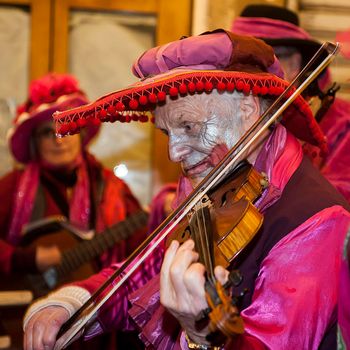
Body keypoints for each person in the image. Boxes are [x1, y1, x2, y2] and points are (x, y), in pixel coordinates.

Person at [23, 31, 350, 350]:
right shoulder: (217, 176)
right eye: (168, 133)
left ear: (248, 112)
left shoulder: (318, 221)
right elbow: (150, 270)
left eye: (189, 127)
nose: (174, 153)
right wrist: (72, 303)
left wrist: (202, 334)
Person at [0, 73, 147, 348]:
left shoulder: (113, 188)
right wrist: (27, 258)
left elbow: (141, 252)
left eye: (68, 127)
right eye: (48, 131)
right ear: (35, 141)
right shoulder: (13, 187)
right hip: (25, 325)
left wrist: (165, 209)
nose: (60, 139)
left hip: (97, 329)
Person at [231, 4, 350, 202]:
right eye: (234, 63)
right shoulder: (229, 116)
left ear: (294, 64)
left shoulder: (341, 123)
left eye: (258, 63)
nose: (243, 75)